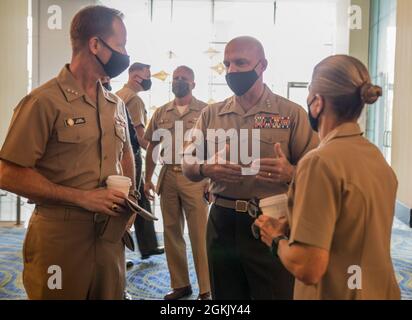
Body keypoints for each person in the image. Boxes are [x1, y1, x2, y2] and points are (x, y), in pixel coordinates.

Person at [0, 5, 136, 300]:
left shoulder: (115, 104)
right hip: (60, 237)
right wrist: (82, 198)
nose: (126, 53)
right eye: (121, 44)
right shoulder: (41, 102)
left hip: (110, 236)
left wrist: (132, 200)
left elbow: (125, 155)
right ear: (95, 44)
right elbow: (7, 174)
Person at [182, 36, 319, 300]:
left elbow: (316, 174)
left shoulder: (290, 114)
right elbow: (187, 161)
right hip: (222, 221)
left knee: (275, 293)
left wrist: (291, 173)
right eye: (227, 64)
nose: (232, 71)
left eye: (240, 62)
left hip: (271, 221)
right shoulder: (211, 114)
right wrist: (205, 167)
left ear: (262, 65)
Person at [255, 54, 401, 300]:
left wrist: (275, 238)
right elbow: (351, 229)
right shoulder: (375, 156)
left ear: (317, 103)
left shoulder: (318, 162)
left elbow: (308, 267)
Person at [144, 66, 211, 300]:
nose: (179, 81)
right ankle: (181, 284)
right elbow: (151, 146)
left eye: (184, 79)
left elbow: (214, 148)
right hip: (168, 177)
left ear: (193, 84)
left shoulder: (205, 111)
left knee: (199, 235)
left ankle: (206, 288)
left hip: (195, 177)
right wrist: (146, 180)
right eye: (175, 78)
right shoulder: (162, 112)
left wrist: (209, 180)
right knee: (171, 233)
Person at [116, 63, 164, 262]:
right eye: (147, 75)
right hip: (130, 156)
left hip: (116, 156)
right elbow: (140, 136)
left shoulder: (119, 94)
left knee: (140, 199)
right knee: (130, 202)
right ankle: (118, 249)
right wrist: (160, 152)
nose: (149, 79)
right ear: (136, 77)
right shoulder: (134, 99)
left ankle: (149, 245)